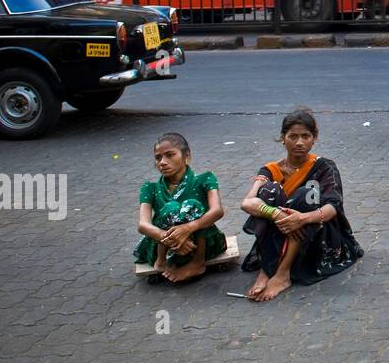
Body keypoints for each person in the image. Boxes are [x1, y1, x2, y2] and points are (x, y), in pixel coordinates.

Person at [240, 108, 363, 301]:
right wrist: (276, 214)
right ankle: (266, 270)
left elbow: (333, 207)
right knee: (269, 190)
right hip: (281, 228)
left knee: (307, 194)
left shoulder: (325, 167)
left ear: (314, 138)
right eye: (293, 136)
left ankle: (282, 273)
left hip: (316, 232)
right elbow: (248, 202)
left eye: (305, 136)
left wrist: (302, 218)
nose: (299, 142)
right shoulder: (271, 169)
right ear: (283, 138)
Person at [134, 133, 226, 284]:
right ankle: (162, 261)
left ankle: (197, 263)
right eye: (158, 158)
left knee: (192, 205)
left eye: (170, 155)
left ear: (187, 155)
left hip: (200, 246)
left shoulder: (205, 179)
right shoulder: (149, 188)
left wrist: (188, 228)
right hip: (163, 248)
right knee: (172, 207)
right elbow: (143, 225)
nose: (162, 162)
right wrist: (172, 238)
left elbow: (217, 211)